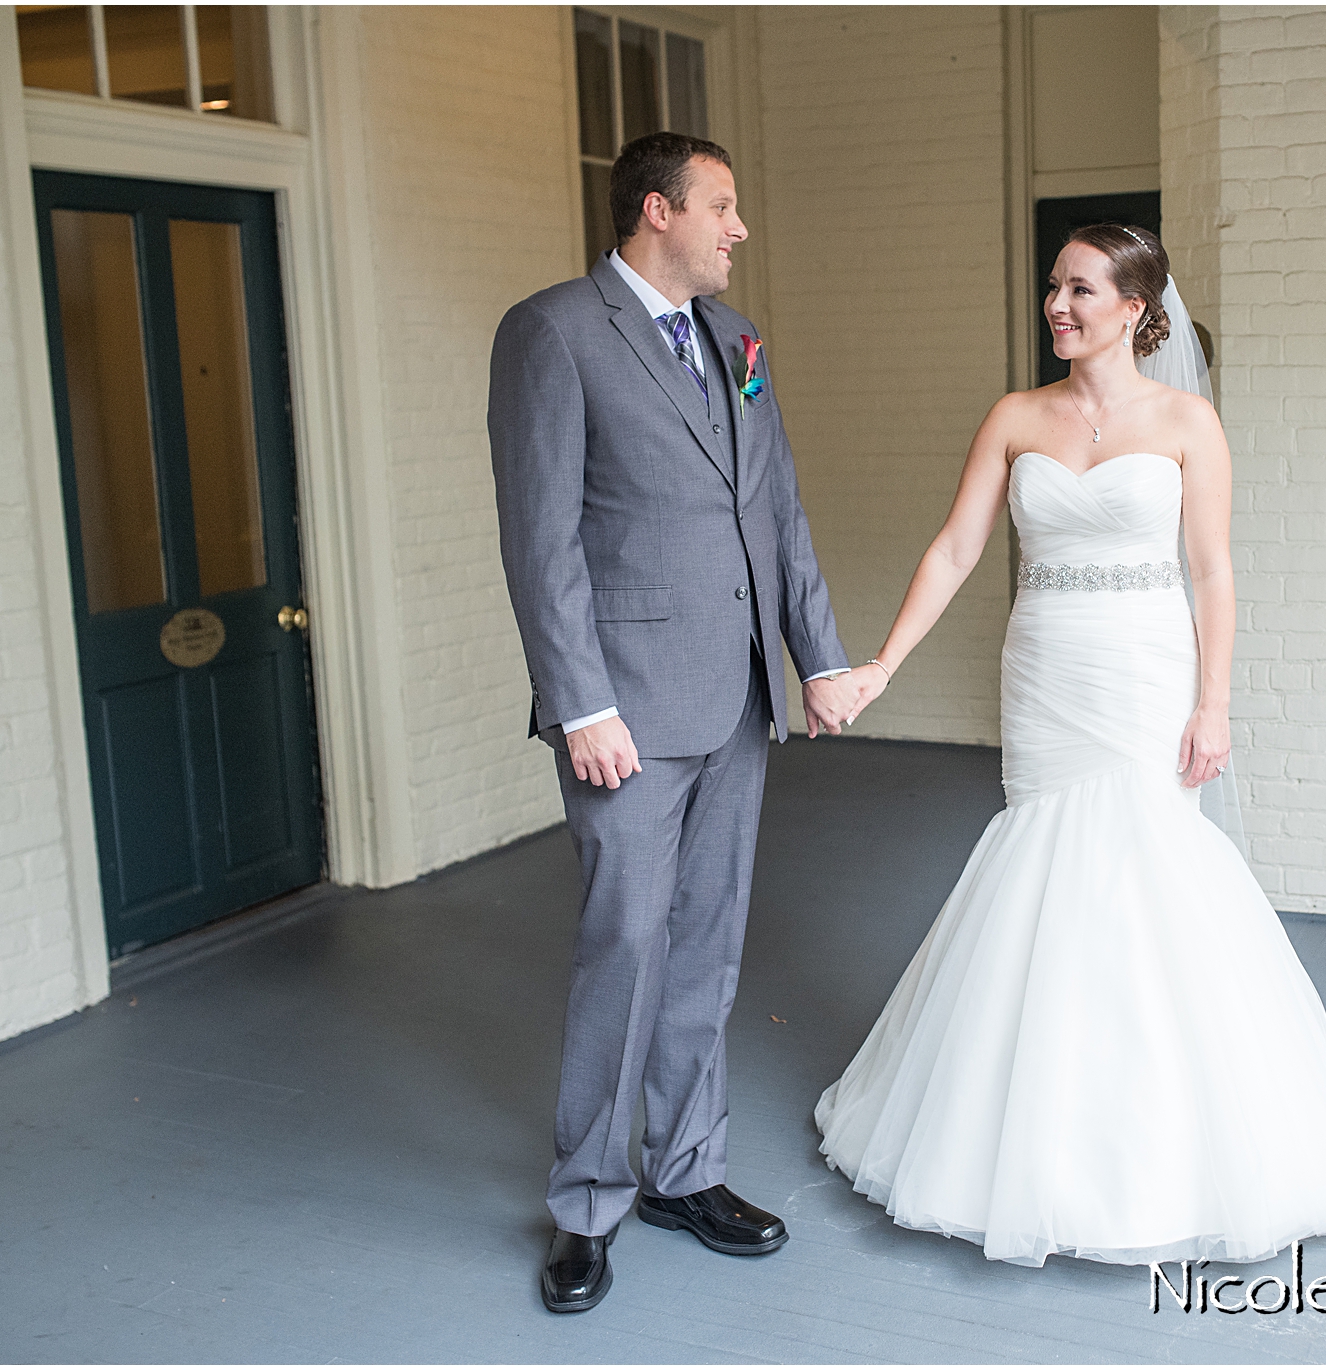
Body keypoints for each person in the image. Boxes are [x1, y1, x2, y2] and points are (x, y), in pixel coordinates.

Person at [814, 224, 1326, 1267]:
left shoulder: (1188, 422)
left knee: (1143, 871)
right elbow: (955, 547)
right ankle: (1031, 1122)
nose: (1058, 305)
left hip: (1144, 671)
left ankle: (1159, 1138)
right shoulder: (1013, 416)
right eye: (1053, 287)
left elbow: (1213, 573)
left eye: (1081, 289)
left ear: (1137, 309)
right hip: (1046, 668)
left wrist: (1212, 702)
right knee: (1042, 865)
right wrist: (880, 664)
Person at [488, 132, 860, 1312]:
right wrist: (580, 702)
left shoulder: (737, 339)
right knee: (625, 946)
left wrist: (818, 657)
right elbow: (538, 536)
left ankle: (684, 1170)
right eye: (723, 207)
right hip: (627, 716)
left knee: (706, 943)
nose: (737, 230)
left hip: (738, 696)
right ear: (659, 210)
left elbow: (777, 511)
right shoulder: (552, 332)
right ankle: (588, 1200)